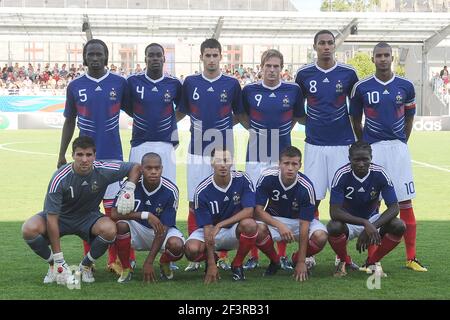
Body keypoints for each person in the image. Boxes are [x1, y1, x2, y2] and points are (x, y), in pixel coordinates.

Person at [56, 39, 134, 275]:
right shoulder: (75, 85)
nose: (95, 58)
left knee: (115, 212)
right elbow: (69, 120)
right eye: (91, 54)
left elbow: (136, 112)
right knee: (86, 214)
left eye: (99, 54)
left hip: (112, 160)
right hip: (85, 162)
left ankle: (117, 261)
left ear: (106, 56)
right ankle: (87, 264)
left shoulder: (120, 83)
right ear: (84, 57)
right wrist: (61, 154)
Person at [350, 41, 427, 272]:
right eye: (378, 55)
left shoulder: (405, 86)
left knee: (405, 202)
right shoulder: (361, 87)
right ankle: (371, 261)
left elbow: (409, 118)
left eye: (386, 55)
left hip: (398, 149)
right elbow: (355, 119)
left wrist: (402, 141)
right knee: (375, 204)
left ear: (392, 58)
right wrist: (365, 142)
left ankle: (411, 257)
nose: (382, 59)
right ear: (372, 59)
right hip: (373, 150)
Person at [22, 136, 140, 284]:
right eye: (80, 154)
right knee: (28, 228)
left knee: (110, 229)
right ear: (72, 155)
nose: (84, 159)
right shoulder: (59, 178)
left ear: (94, 156)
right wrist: (58, 258)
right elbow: (52, 218)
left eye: (88, 155)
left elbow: (135, 167)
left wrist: (130, 188)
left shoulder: (103, 169)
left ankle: (85, 266)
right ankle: (54, 266)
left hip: (88, 217)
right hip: (61, 218)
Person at [176, 38, 245, 272]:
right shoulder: (190, 82)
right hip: (196, 150)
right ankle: (197, 256)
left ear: (221, 57)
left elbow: (239, 114)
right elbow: (182, 111)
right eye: (208, 55)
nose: (212, 59)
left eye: (216, 55)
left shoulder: (232, 84)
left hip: (224, 151)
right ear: (201, 57)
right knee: (195, 201)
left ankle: (222, 254)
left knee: (225, 199)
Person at [295, 30, 359, 267]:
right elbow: (297, 109)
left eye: (330, 43)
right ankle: (309, 253)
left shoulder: (349, 73)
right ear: (315, 46)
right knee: (312, 199)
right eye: (321, 43)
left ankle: (341, 256)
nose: (326, 46)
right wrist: (314, 123)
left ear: (335, 46)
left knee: (342, 201)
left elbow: (356, 109)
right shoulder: (303, 74)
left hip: (342, 145)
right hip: (314, 145)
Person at [240, 49, 304, 271]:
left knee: (282, 204)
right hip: (256, 155)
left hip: (282, 156)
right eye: (268, 66)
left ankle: (282, 255)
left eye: (276, 66)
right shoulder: (249, 90)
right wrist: (255, 131)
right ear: (261, 67)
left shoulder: (293, 90)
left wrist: (282, 132)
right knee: (253, 205)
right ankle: (254, 256)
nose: (272, 70)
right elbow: (241, 115)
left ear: (282, 68)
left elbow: (297, 116)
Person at [328, 141, 405, 277]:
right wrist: (364, 223)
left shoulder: (380, 173)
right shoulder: (341, 174)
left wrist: (371, 225)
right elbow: (334, 212)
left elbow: (394, 207)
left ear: (371, 158)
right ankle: (344, 260)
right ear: (349, 159)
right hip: (349, 221)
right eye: (356, 160)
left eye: (365, 159)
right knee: (333, 227)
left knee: (399, 226)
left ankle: (372, 261)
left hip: (372, 218)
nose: (361, 164)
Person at [254, 146, 328, 282]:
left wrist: (301, 262)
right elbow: (257, 211)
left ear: (300, 165)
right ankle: (275, 261)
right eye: (286, 163)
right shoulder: (267, 177)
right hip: (274, 219)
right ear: (279, 164)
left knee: (321, 237)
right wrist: (279, 225)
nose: (290, 168)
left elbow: (304, 223)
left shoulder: (306, 186)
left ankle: (296, 259)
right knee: (256, 229)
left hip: (298, 221)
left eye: (294, 164)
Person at [184, 148, 257, 283]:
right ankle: (211, 260)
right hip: (211, 231)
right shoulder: (202, 190)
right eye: (218, 161)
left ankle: (237, 264)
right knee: (191, 250)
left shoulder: (243, 179)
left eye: (226, 160)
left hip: (233, 230)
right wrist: (211, 264)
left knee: (250, 225)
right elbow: (207, 228)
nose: (223, 165)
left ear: (232, 162)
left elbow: (249, 211)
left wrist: (220, 224)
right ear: (211, 163)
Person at [111, 153, 184, 283]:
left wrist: (149, 262)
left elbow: (165, 227)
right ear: (141, 169)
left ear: (162, 168)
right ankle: (126, 268)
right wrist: (144, 215)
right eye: (149, 168)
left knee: (177, 246)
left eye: (157, 168)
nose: (153, 172)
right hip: (137, 229)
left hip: (160, 229)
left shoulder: (171, 190)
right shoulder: (130, 185)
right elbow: (114, 214)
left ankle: (164, 263)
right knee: (120, 226)